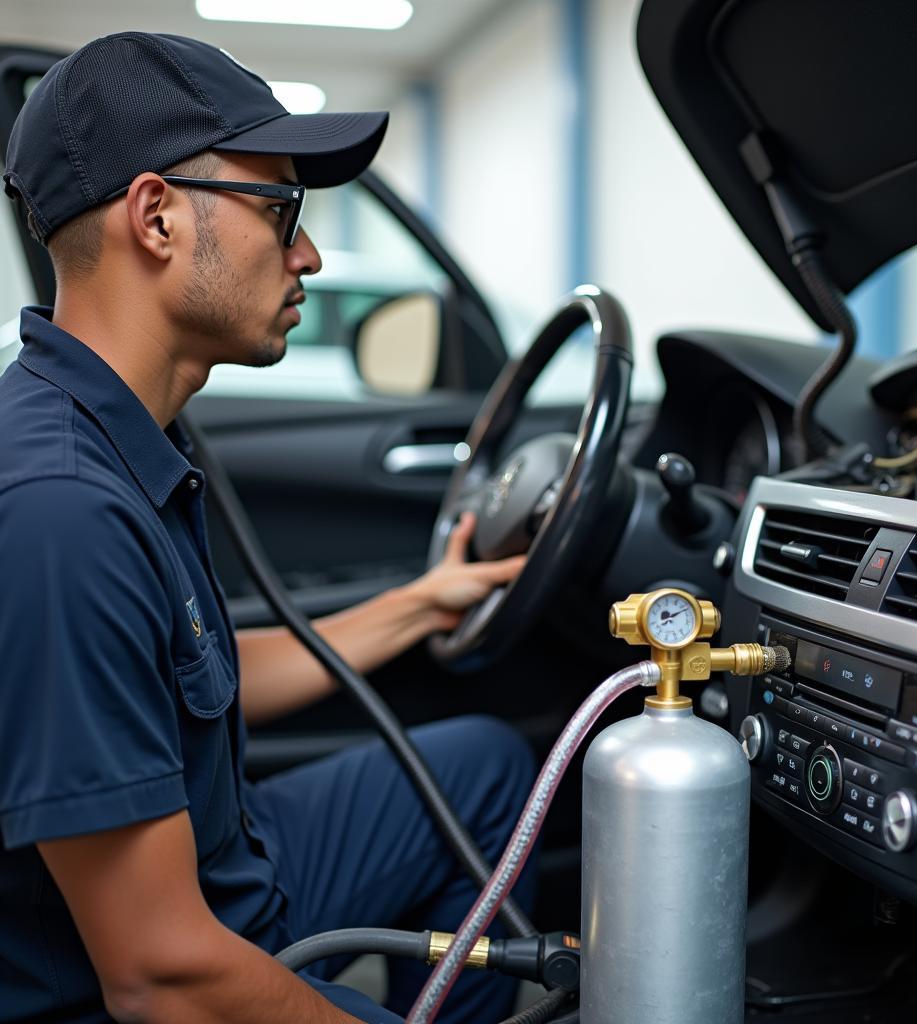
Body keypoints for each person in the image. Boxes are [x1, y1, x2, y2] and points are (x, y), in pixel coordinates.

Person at [0, 31, 537, 1024]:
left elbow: (188, 676)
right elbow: (160, 974)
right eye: (281, 210)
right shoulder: (61, 512)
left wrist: (422, 603)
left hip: (225, 867)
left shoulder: (118, 435)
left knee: (484, 766)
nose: (309, 254)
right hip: (150, 965)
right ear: (155, 217)